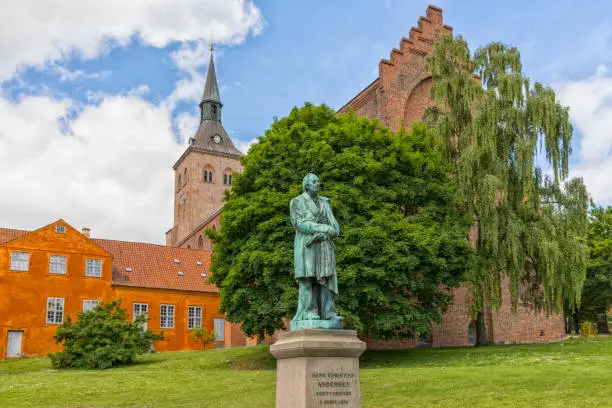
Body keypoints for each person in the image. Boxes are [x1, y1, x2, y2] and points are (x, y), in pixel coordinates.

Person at [290, 173, 342, 324]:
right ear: (306, 185)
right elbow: (299, 223)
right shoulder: (297, 202)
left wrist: (331, 230)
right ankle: (309, 312)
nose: (318, 183)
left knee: (327, 277)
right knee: (308, 278)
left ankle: (329, 312)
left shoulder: (325, 202)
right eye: (314, 181)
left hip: (325, 244)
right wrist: (324, 228)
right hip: (307, 244)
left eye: (318, 181)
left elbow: (335, 226)